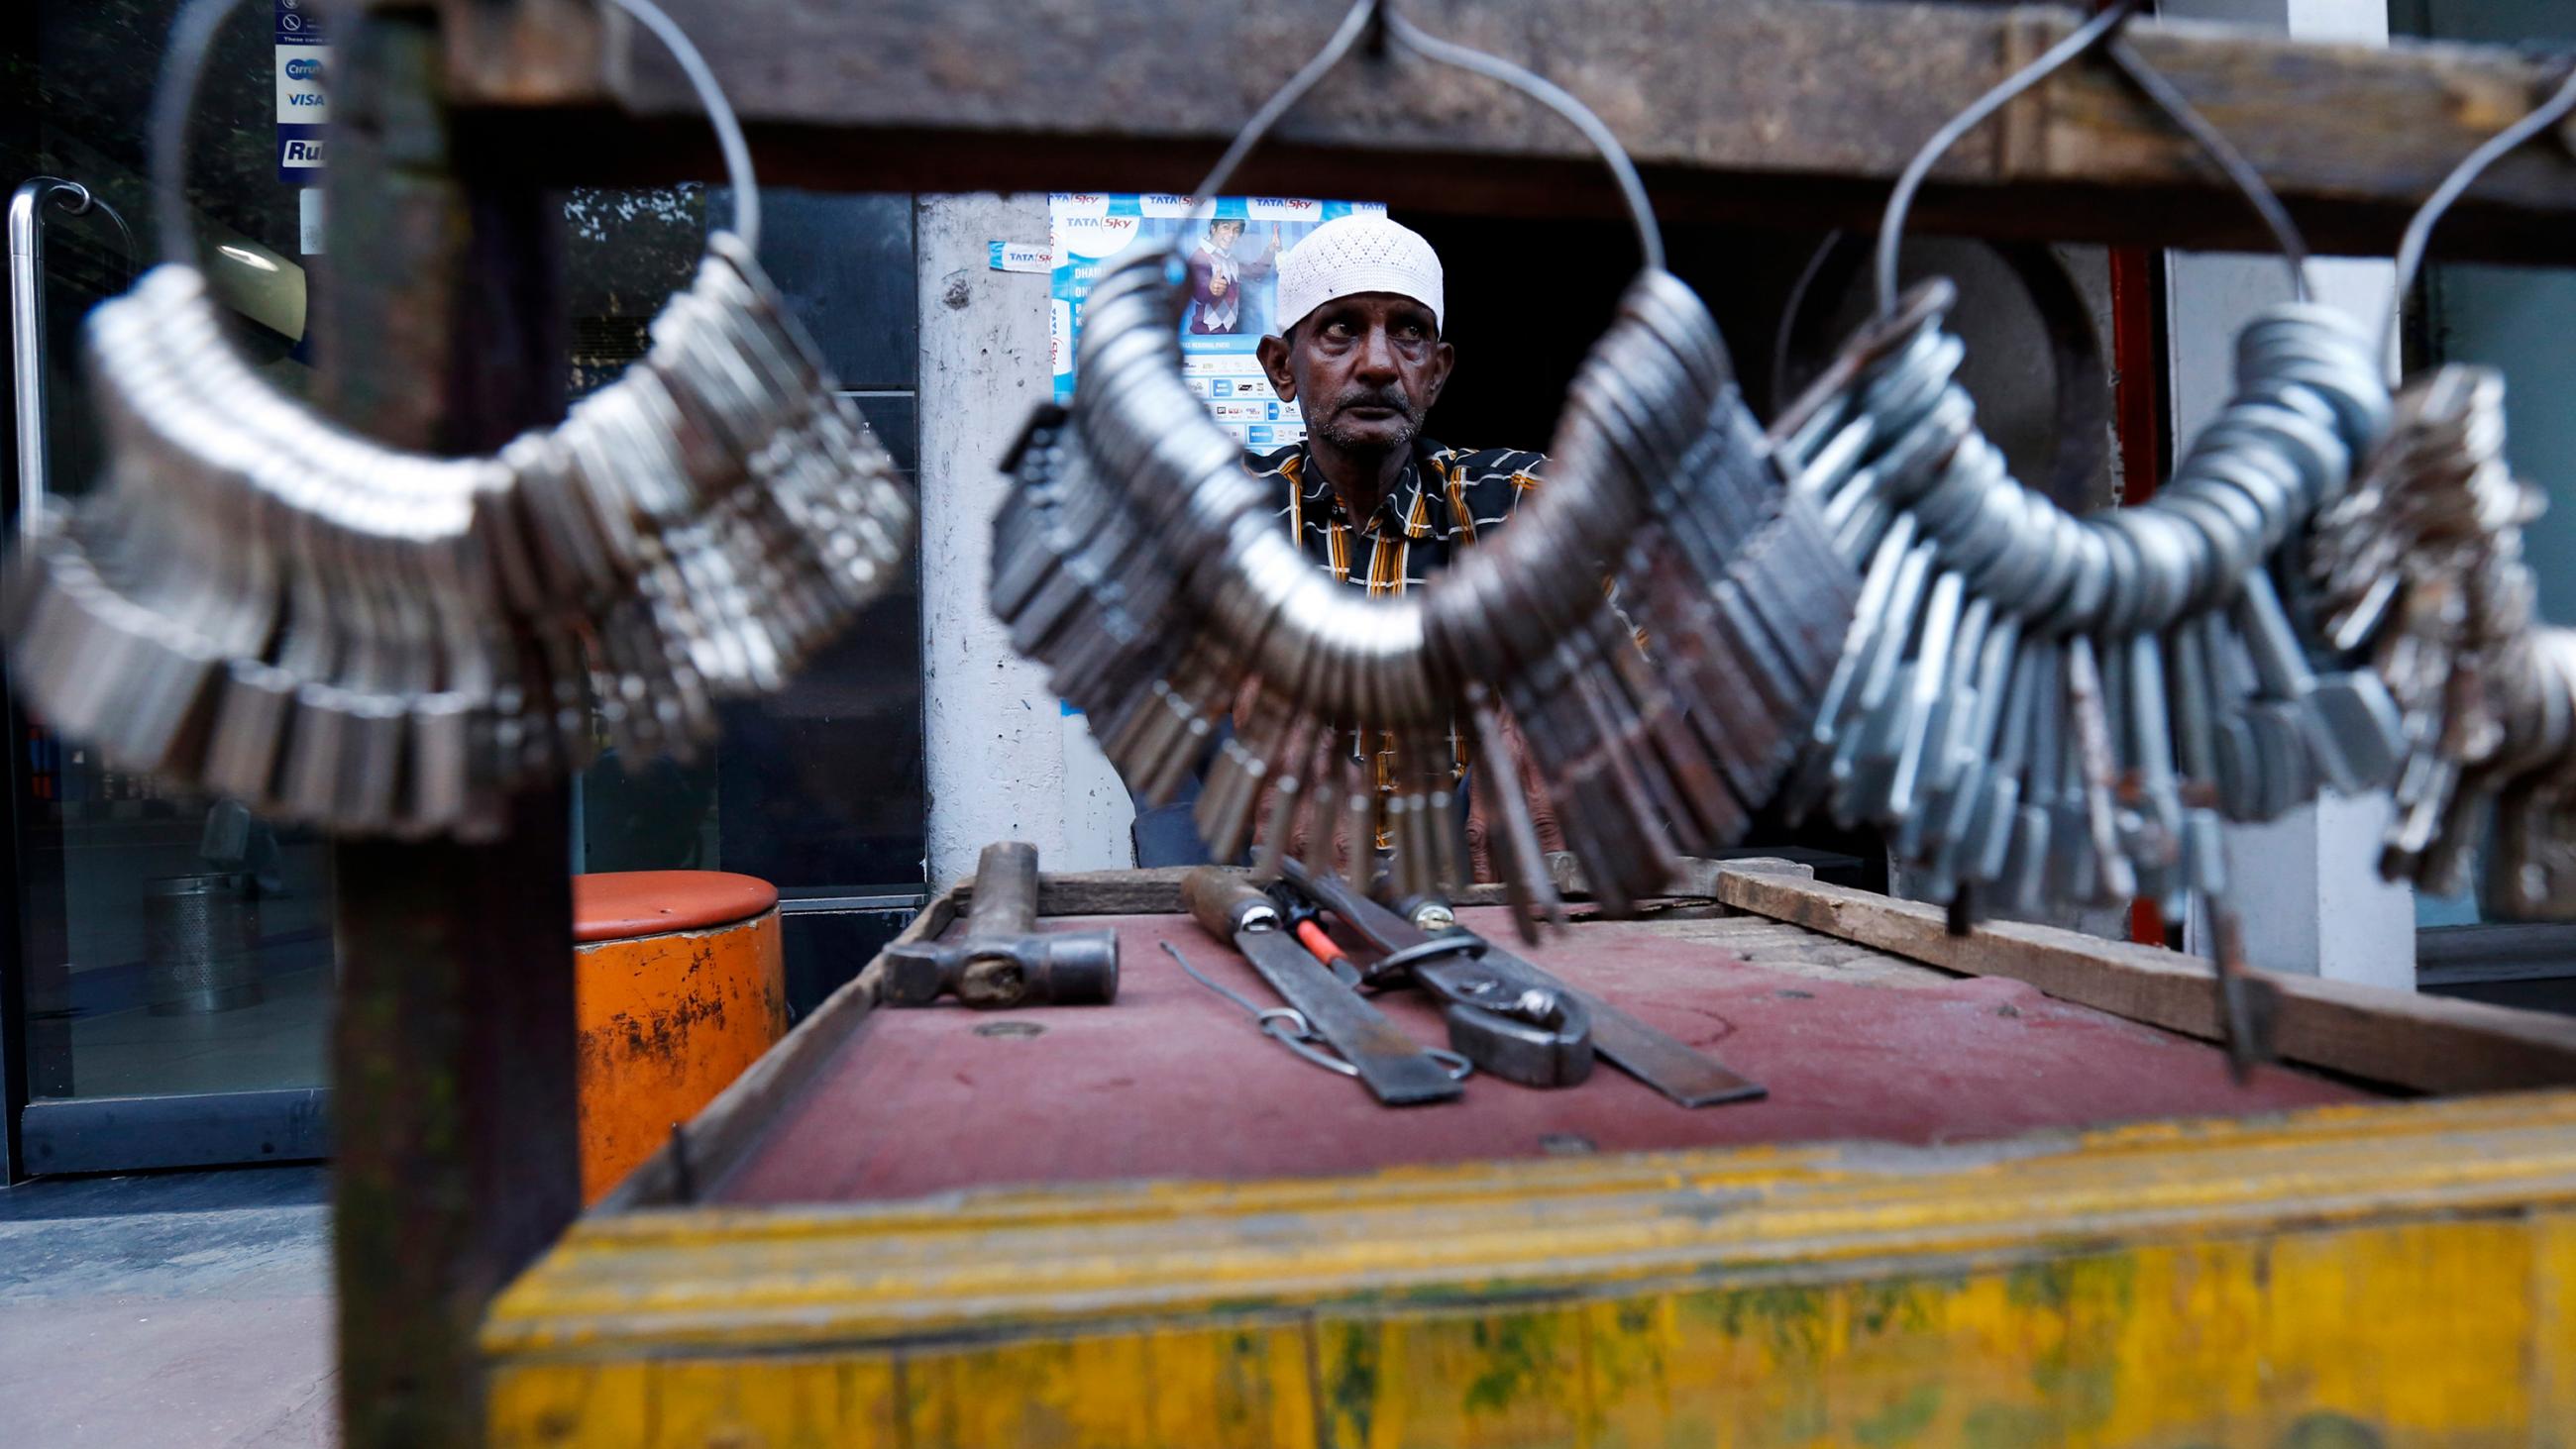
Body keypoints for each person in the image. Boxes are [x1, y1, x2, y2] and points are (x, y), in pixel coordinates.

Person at [1131, 213, 1558, 875]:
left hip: (1475, 892)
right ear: (1281, 366)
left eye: (1410, 333)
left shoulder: (1516, 499)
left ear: (1437, 372)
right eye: (1341, 329)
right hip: (1266, 897)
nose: (1381, 363)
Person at [1182, 218, 1272, 336]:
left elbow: (1253, 271)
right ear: (1213, 229)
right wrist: (1210, 288)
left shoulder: (1231, 259)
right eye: (1226, 227)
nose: (1231, 234)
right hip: (1205, 337)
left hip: (1230, 336)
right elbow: (1198, 291)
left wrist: (1270, 251)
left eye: (1236, 230)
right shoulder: (1201, 256)